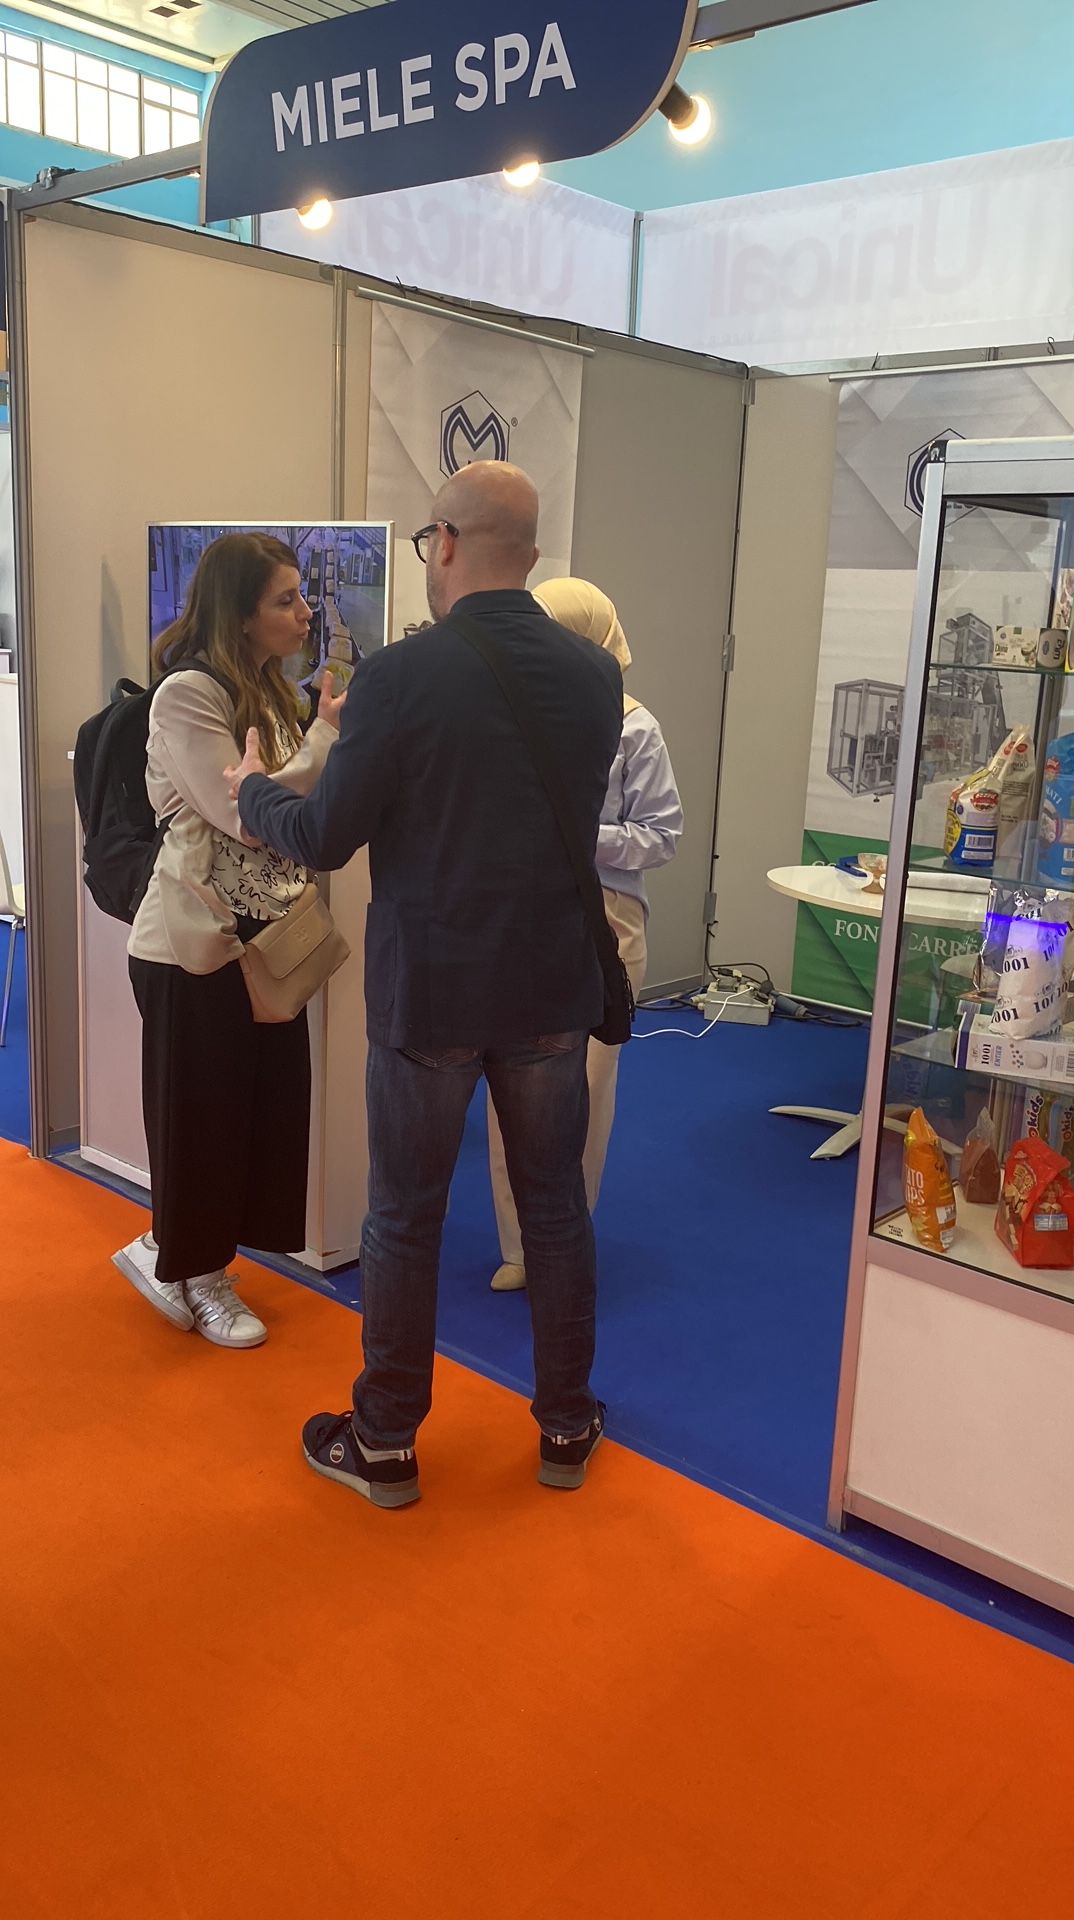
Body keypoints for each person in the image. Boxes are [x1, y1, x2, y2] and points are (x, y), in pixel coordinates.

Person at [227, 462, 623, 1508]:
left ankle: (387, 1440)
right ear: (527, 553)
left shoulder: (400, 677)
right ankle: (568, 1424)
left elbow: (323, 835)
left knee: (404, 1218)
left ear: (444, 541)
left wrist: (253, 792)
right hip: (550, 988)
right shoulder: (595, 676)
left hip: (433, 994)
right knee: (554, 1211)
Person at [113, 533, 344, 1349]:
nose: (305, 611)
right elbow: (246, 815)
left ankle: (172, 1253)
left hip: (266, 938)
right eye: (285, 599)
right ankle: (197, 1272)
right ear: (240, 614)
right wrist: (322, 744)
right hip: (194, 944)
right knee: (202, 1116)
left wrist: (313, 752)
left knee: (262, 1111)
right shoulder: (188, 694)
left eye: (301, 595)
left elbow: (288, 806)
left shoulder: (272, 693)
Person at [487, 579, 683, 1291]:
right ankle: (518, 1246)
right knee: (511, 1083)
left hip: (606, 921)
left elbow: (661, 835)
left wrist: (578, 837)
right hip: (519, 914)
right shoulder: (508, 712)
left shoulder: (634, 726)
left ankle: (563, 1238)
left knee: (585, 1090)